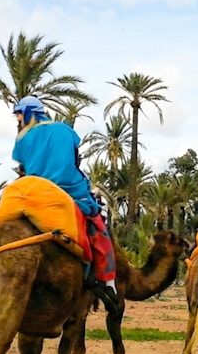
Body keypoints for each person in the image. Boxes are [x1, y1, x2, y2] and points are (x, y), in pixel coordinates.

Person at [11, 95, 119, 314]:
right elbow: (75, 160)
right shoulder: (65, 131)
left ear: (29, 113)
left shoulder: (23, 137)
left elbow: (23, 167)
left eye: (19, 114)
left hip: (34, 190)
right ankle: (108, 283)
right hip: (68, 190)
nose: (18, 119)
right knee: (97, 226)